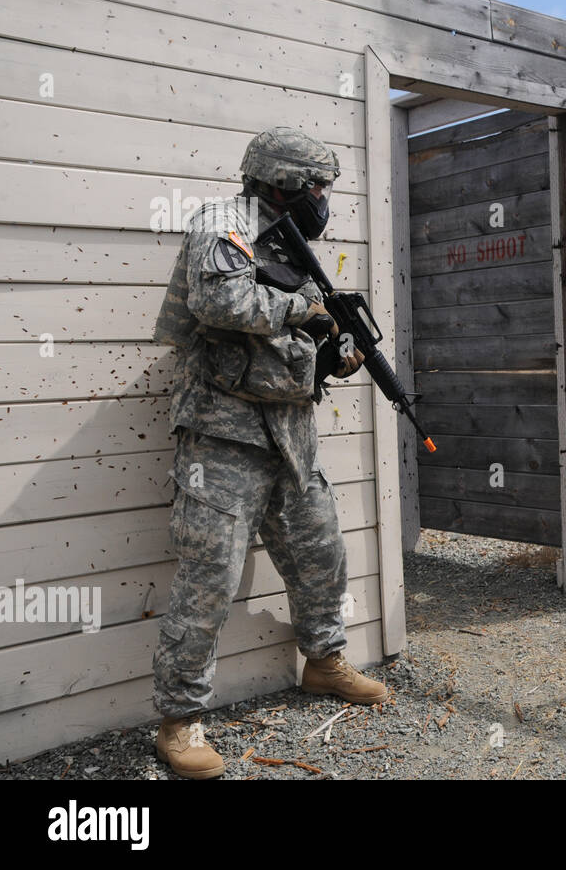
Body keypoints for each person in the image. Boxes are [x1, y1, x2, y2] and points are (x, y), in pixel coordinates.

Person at [149, 127, 388, 779]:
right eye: (315, 186)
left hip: (290, 435)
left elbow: (296, 342)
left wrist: (338, 352)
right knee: (209, 580)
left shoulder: (290, 242)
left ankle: (324, 661)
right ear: (277, 180)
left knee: (322, 554)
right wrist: (303, 308)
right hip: (223, 438)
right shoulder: (222, 222)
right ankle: (178, 719)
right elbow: (220, 298)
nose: (322, 198)